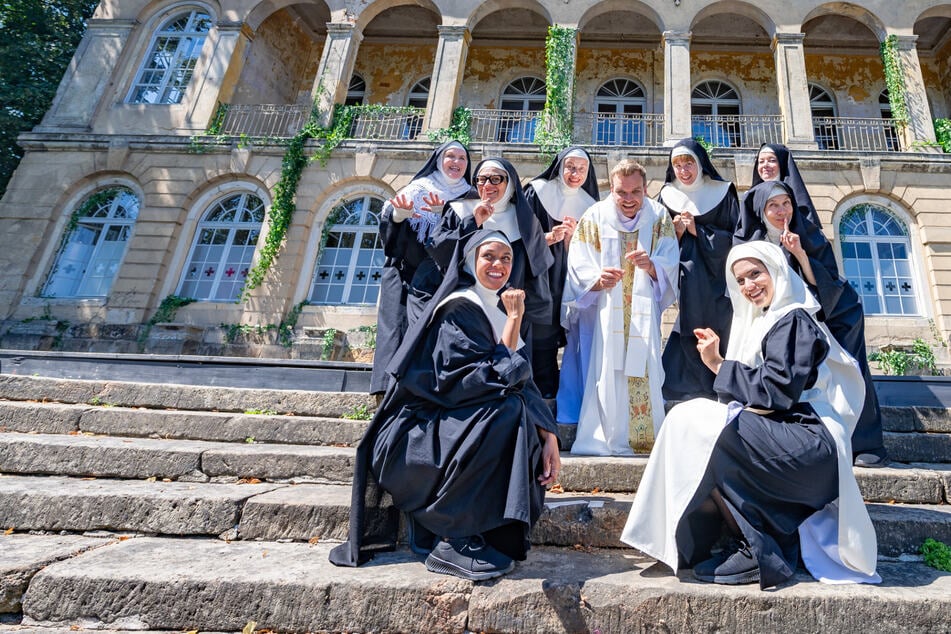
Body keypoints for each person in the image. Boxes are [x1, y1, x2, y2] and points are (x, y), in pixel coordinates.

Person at [621, 241, 880, 589]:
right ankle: (710, 541)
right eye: (740, 280)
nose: (748, 286)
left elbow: (777, 392)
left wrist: (717, 364)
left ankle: (762, 550)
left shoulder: (794, 318)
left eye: (755, 274)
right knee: (695, 428)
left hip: (810, 444)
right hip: (790, 438)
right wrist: (719, 364)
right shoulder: (767, 320)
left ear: (776, 271)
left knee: (695, 420)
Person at [329, 230, 560, 581]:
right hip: (413, 437)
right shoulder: (458, 308)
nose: (499, 264)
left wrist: (550, 436)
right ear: (470, 261)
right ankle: (454, 536)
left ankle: (487, 531)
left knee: (519, 413)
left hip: (450, 425)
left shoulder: (498, 307)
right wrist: (513, 321)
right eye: (489, 256)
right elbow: (475, 384)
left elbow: (519, 382)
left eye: (506, 259)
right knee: (506, 412)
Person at [735, 181, 888, 467]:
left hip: (833, 314)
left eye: (786, 204)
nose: (782, 211)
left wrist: (800, 254)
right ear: (761, 210)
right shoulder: (752, 244)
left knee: (847, 374)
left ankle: (864, 443)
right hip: (782, 323)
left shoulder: (808, 233)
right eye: (773, 206)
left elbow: (828, 281)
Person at [560, 159, 679, 455]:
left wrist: (651, 266)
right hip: (604, 309)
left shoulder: (659, 216)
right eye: (621, 193)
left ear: (645, 189)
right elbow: (578, 260)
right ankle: (602, 438)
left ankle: (643, 438)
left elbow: (670, 259)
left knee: (644, 366)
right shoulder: (595, 216)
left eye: (635, 192)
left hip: (643, 311)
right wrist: (597, 280)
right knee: (605, 369)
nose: (628, 199)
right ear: (610, 189)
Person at [370, 141, 473, 395]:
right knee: (396, 330)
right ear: (439, 160)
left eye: (462, 158)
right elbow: (391, 242)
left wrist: (442, 217)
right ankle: (387, 391)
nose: (456, 163)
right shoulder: (418, 189)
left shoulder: (470, 196)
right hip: (406, 273)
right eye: (451, 156)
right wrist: (398, 217)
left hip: (443, 277)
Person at [429, 158, 554, 338]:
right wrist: (473, 222)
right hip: (467, 306)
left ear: (510, 182)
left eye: (496, 179)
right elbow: (438, 251)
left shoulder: (524, 219)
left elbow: (536, 270)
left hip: (509, 308)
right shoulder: (460, 210)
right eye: (481, 179)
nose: (487, 185)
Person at [658, 139, 739, 402]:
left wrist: (698, 231)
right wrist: (677, 232)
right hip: (684, 275)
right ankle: (684, 386)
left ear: (700, 163)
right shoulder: (666, 195)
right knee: (688, 327)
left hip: (718, 276)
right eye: (677, 165)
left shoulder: (723, 191)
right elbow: (657, 239)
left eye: (688, 163)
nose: (683, 170)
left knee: (719, 325)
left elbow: (736, 237)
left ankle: (718, 381)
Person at [523, 146, 600, 398]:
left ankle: (555, 392)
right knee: (539, 332)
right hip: (538, 275)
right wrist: (546, 238)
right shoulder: (537, 192)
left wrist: (572, 240)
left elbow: (595, 250)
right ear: (559, 167)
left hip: (570, 277)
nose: (575, 173)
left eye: (581, 169)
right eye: (570, 167)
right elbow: (519, 234)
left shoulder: (590, 206)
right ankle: (532, 388)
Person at [750, 143, 822, 228]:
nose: (765, 165)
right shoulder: (750, 197)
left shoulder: (793, 196)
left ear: (782, 163)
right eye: (761, 161)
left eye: (772, 160)